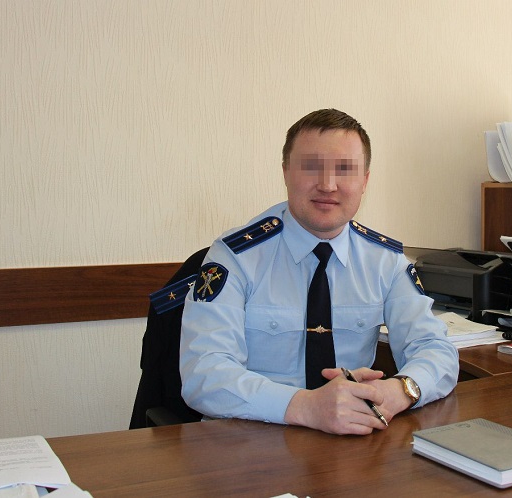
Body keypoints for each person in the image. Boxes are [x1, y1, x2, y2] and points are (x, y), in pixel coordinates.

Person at [179, 108, 459, 435]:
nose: (327, 185)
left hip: (352, 441)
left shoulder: (385, 260)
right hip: (253, 440)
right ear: (286, 172)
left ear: (365, 181)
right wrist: (306, 406)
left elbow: (437, 350)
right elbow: (204, 374)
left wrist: (398, 391)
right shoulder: (235, 257)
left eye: (345, 169)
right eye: (311, 166)